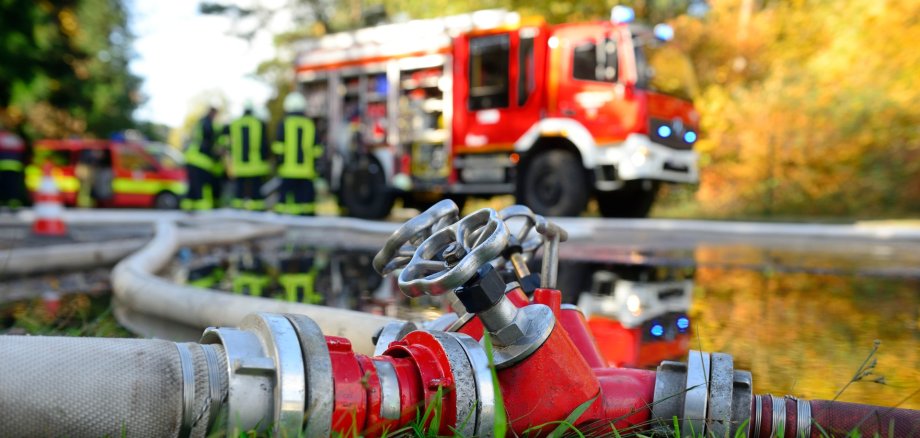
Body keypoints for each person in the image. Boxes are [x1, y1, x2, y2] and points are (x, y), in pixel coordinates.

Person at [273, 92, 323, 215]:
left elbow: (278, 148)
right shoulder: (310, 124)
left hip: (288, 172)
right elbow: (317, 150)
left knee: (284, 205)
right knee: (306, 206)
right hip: (307, 173)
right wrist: (314, 166)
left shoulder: (284, 123)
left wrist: (279, 164)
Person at [225, 102, 271, 210]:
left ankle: (238, 211)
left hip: (239, 166)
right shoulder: (259, 123)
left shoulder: (235, 123)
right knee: (256, 194)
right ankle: (257, 211)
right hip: (256, 166)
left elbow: (227, 143)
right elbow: (264, 145)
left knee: (239, 193)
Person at [182, 106, 222, 211]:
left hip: (191, 158)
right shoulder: (208, 124)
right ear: (213, 113)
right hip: (200, 160)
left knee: (193, 187)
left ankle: (188, 207)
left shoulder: (200, 123)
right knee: (202, 187)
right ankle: (202, 207)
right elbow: (209, 142)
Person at [0, 129, 26, 210]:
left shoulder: (2, 137)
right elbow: (22, 149)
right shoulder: (16, 138)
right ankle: (13, 203)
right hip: (15, 166)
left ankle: (3, 201)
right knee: (13, 186)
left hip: (2, 166)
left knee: (3, 185)